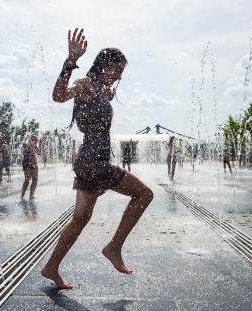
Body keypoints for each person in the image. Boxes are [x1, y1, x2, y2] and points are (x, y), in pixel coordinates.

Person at [41, 28, 153, 289]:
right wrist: (70, 61)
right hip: (94, 163)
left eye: (121, 71)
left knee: (80, 219)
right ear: (103, 65)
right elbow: (58, 96)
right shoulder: (85, 85)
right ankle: (114, 247)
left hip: (89, 161)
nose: (118, 75)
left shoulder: (102, 91)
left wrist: (106, 93)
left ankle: (51, 267)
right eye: (115, 69)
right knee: (144, 195)